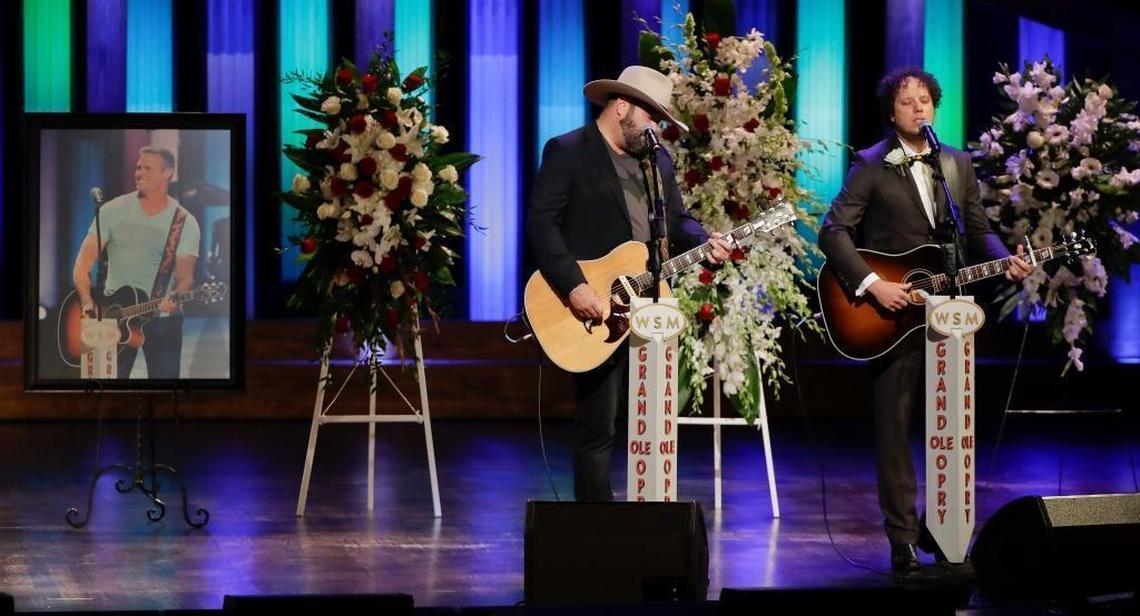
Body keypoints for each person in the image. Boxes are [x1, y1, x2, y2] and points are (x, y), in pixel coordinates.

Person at [819, 68, 1032, 572]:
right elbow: (833, 232)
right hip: (888, 316)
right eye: (906, 101)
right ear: (891, 112)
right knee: (895, 425)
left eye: (925, 100)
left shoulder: (957, 163)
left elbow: (978, 229)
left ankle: (945, 526)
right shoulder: (871, 163)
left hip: (948, 313)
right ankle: (902, 538)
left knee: (952, 423)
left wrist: (1006, 259)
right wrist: (874, 283)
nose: (918, 108)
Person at [526, 65, 731, 501]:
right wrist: (574, 285)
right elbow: (542, 225)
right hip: (595, 309)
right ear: (621, 106)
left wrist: (705, 242)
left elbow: (677, 220)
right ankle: (595, 525)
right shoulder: (569, 151)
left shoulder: (657, 161)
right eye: (651, 116)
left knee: (651, 423)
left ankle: (648, 521)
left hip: (649, 306)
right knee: (598, 424)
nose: (656, 127)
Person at [72, 145, 201, 380]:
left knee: (164, 392)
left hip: (163, 321)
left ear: (167, 173)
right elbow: (82, 264)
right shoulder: (111, 210)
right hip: (112, 317)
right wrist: (87, 301)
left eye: (147, 168)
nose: (139, 173)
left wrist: (175, 297)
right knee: (102, 390)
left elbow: (185, 277)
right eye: (138, 167)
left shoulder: (185, 222)